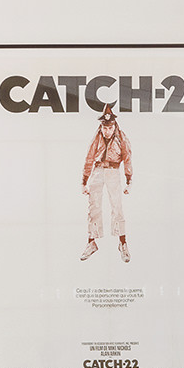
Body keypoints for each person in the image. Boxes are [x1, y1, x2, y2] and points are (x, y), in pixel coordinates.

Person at [80, 105, 133, 262]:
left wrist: (129, 180)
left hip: (113, 172)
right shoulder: (96, 137)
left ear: (114, 125)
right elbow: (89, 158)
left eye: (109, 127)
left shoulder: (121, 137)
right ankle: (91, 242)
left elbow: (127, 158)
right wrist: (84, 181)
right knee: (93, 207)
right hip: (97, 171)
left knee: (116, 207)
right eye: (104, 127)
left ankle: (122, 243)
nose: (106, 131)